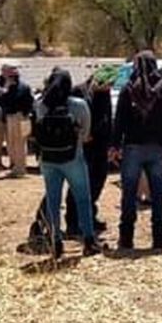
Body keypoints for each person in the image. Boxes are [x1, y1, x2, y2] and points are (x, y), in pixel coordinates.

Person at [110, 51, 162, 251]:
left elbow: (119, 121)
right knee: (158, 194)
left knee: (129, 194)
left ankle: (126, 238)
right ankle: (158, 240)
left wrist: (114, 146)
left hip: (132, 148)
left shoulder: (128, 90)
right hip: (157, 148)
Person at [33, 69, 101, 258]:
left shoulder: (40, 105)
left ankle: (55, 240)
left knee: (53, 201)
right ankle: (88, 240)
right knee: (83, 199)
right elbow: (86, 135)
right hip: (73, 157)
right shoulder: (79, 105)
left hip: (48, 159)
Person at [62, 66, 117, 236]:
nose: (109, 88)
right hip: (83, 146)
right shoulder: (79, 92)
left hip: (100, 147)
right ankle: (73, 221)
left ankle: (89, 216)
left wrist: (110, 144)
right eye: (107, 84)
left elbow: (106, 118)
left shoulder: (104, 93)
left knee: (97, 183)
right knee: (79, 185)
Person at [0, 65, 33, 178]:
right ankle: (16, 167)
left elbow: (5, 101)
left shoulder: (19, 88)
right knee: (13, 144)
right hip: (14, 117)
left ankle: (20, 169)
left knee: (19, 144)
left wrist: (5, 90)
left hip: (18, 117)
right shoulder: (12, 87)